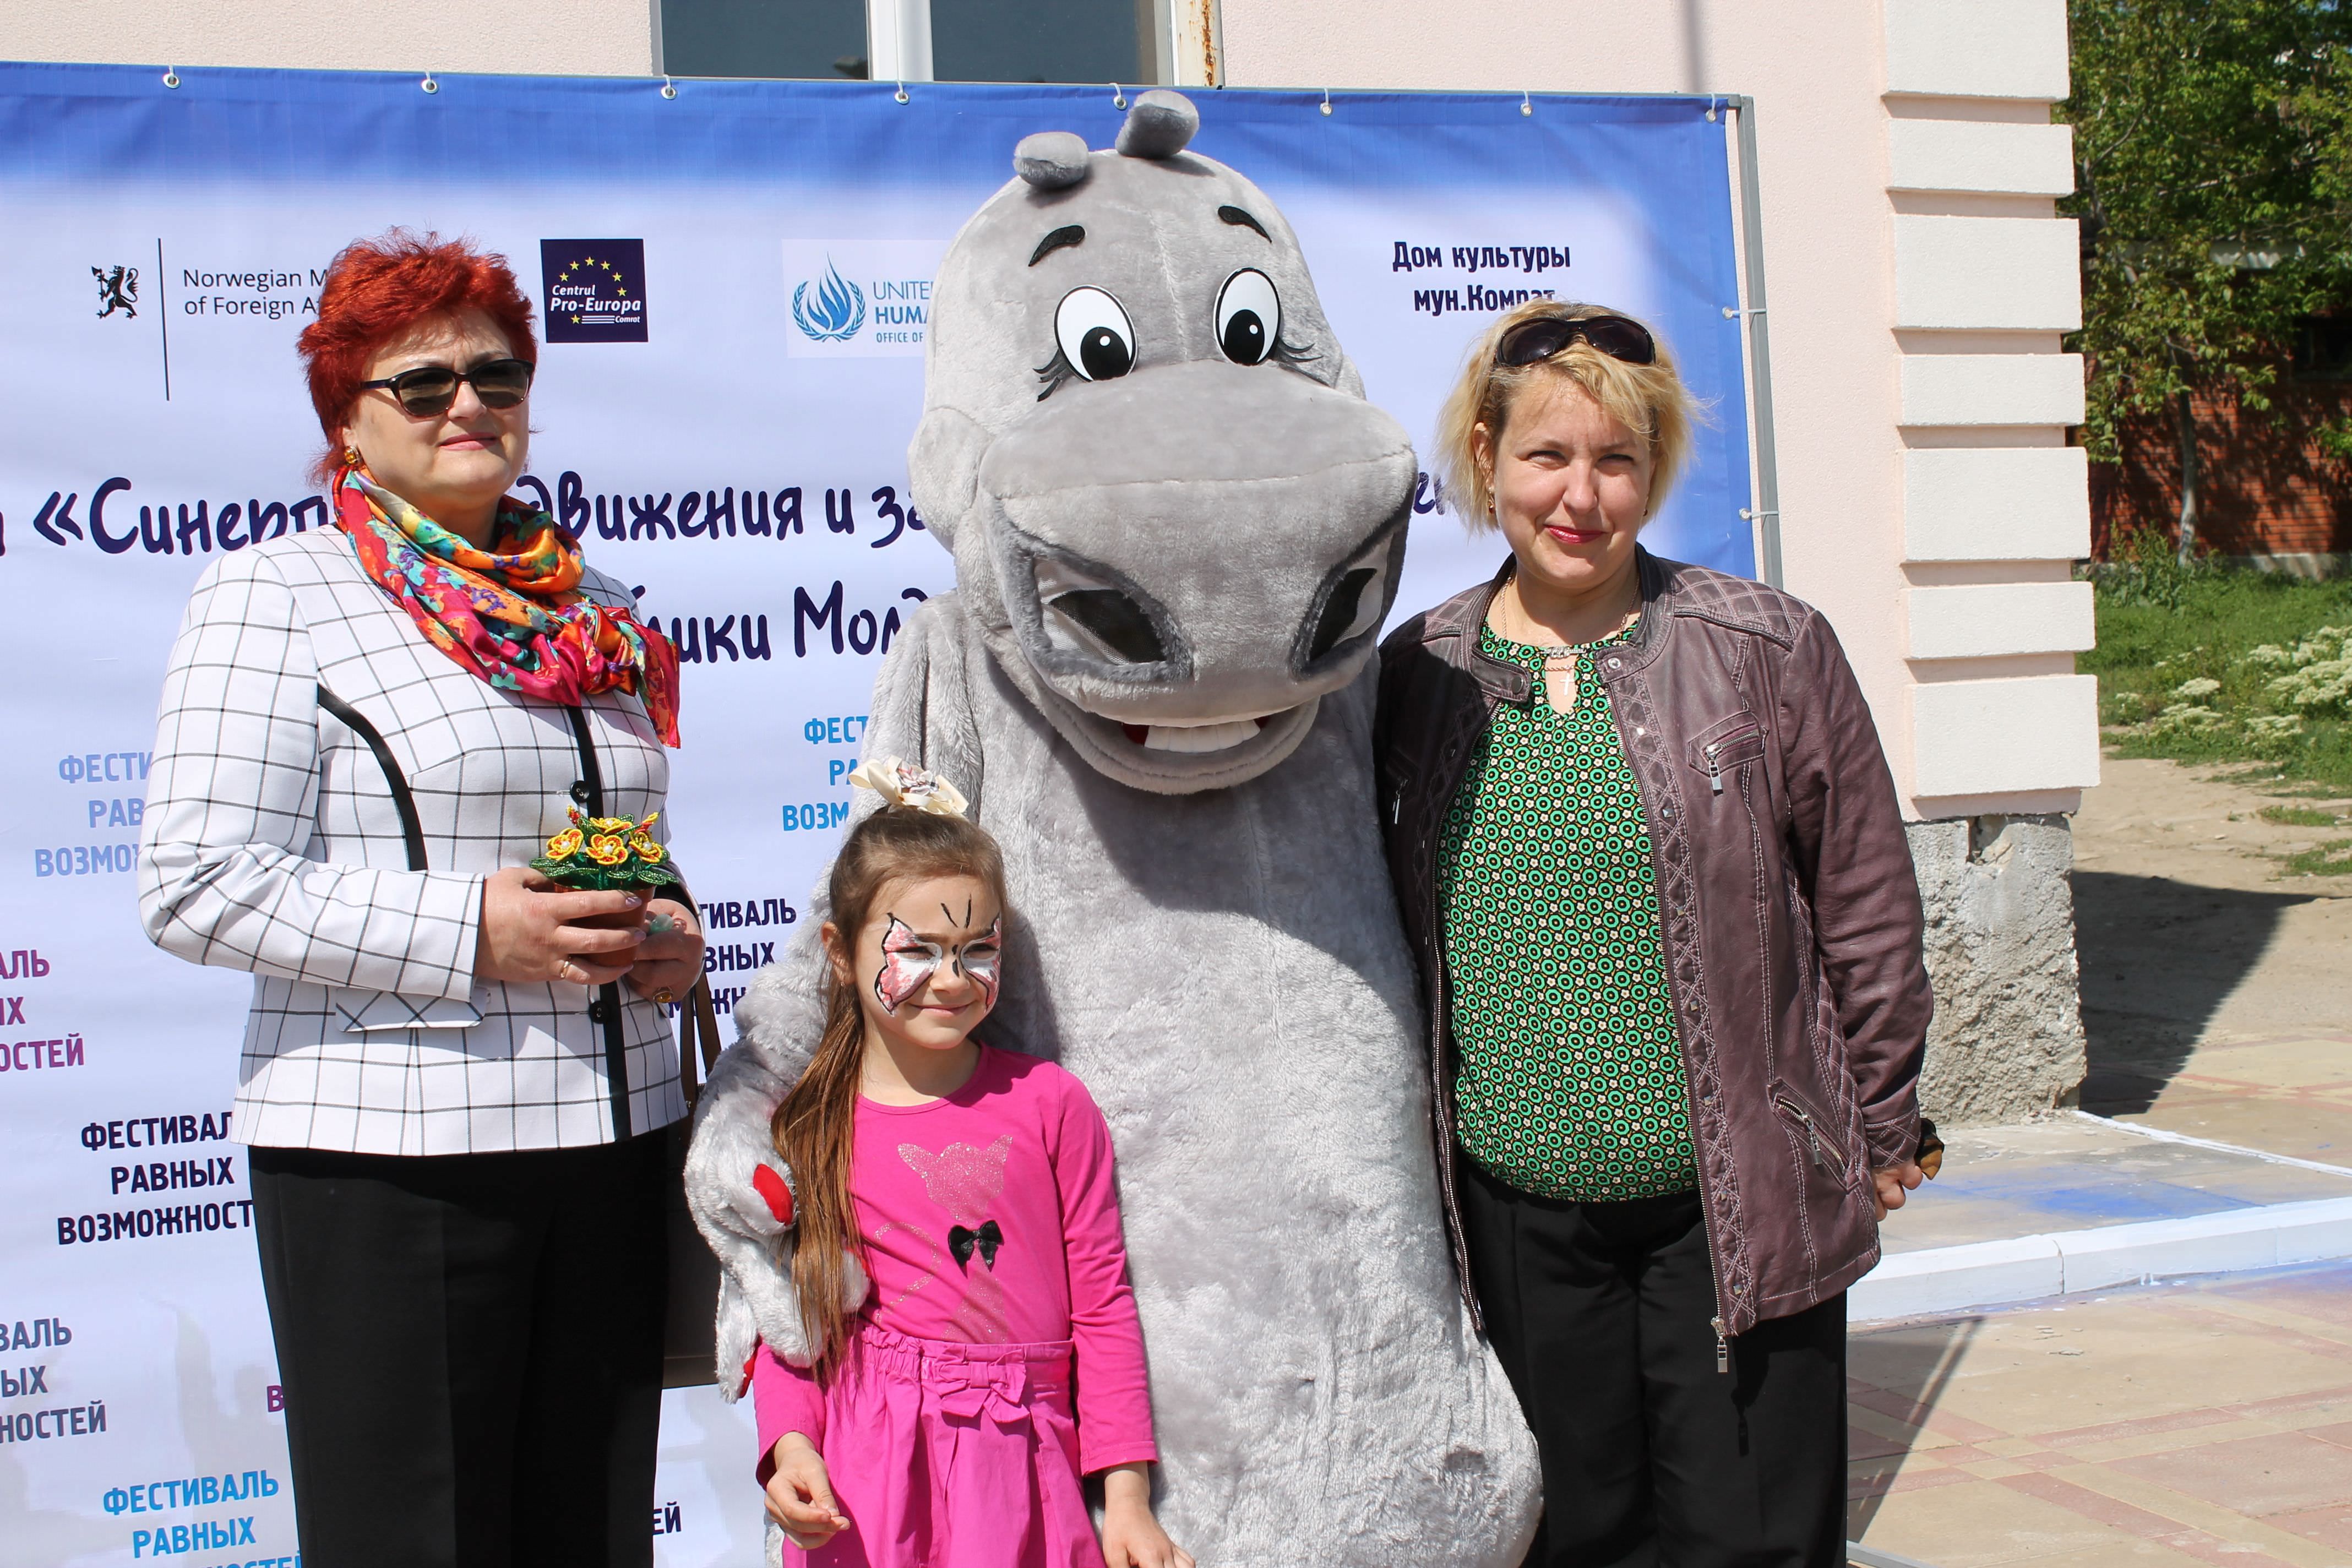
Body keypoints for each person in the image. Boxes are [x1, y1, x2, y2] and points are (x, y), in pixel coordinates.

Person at [138, 231, 700, 1568]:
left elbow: (618, 836)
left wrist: (669, 929)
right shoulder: (277, 593)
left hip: (616, 1150)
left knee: (592, 1541)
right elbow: (193, 883)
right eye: (424, 382)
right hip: (395, 1165)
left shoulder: (590, 600)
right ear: (348, 417)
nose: (469, 404)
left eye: (497, 376)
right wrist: (474, 933)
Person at [1374, 301, 1932, 1567]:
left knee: (1751, 1540)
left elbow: (1867, 906)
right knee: (1574, 1538)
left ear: (1655, 469)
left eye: (1617, 460)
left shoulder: (1766, 649)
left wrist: (1883, 1121)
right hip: (1519, 1221)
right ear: (1486, 457)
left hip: (1734, 1209)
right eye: (1548, 455)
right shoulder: (1420, 674)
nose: (1581, 495)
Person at [753, 760, 1188, 1568]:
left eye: (976, 949)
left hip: (1023, 1475)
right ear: (840, 953)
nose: (951, 981)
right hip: (867, 1483)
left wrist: (1126, 1498)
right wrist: (790, 1448)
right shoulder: (809, 1125)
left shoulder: (1052, 1104)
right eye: (916, 951)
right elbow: (786, 1315)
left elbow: (1103, 1305)